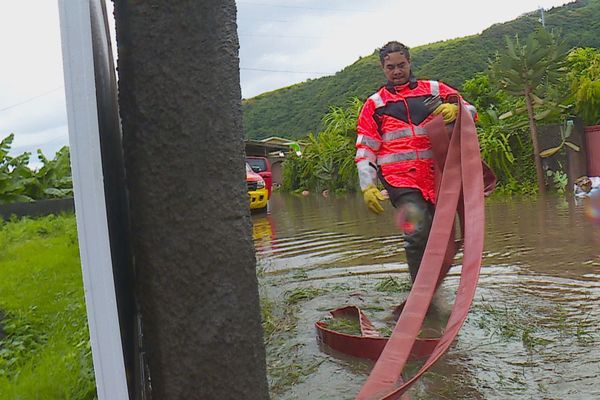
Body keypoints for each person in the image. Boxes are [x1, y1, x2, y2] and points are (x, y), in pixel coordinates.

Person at [355, 41, 476, 282]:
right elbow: (366, 146)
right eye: (391, 67)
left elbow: (471, 111)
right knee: (415, 232)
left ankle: (432, 289)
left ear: (409, 63)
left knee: (439, 235)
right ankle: (420, 295)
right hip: (399, 182)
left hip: (436, 178)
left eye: (401, 65)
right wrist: (368, 186)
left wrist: (456, 111)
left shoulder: (433, 90)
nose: (397, 71)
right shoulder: (375, 104)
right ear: (383, 68)